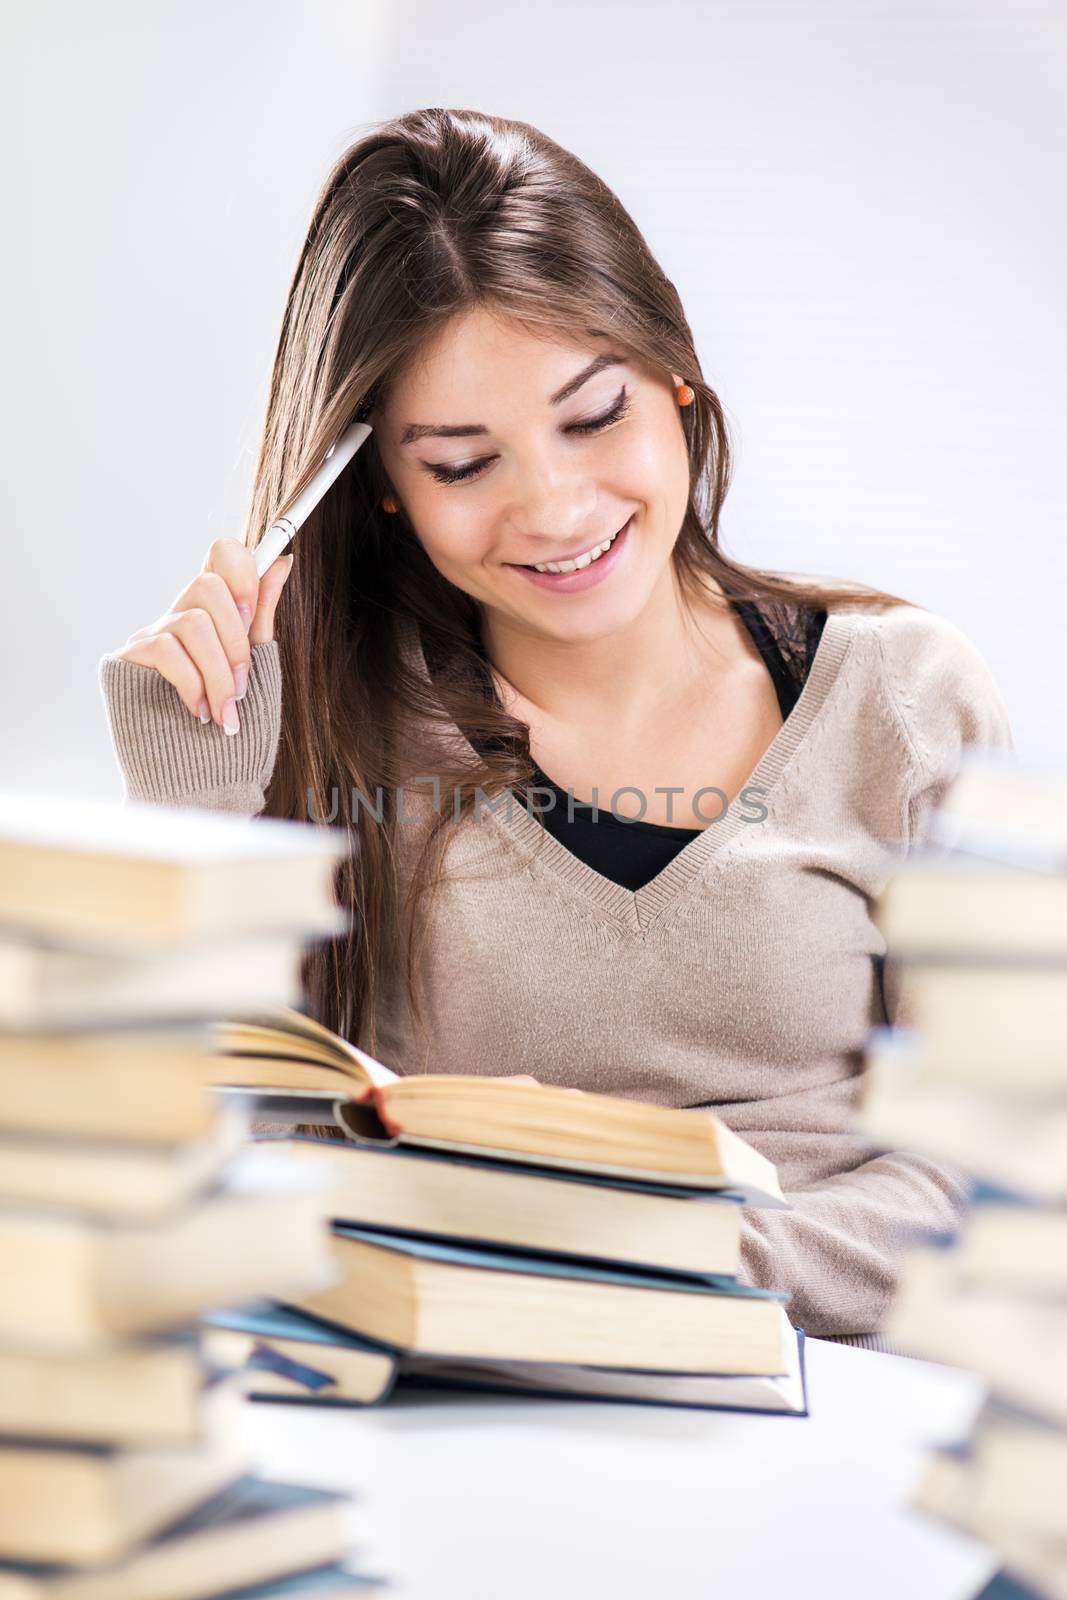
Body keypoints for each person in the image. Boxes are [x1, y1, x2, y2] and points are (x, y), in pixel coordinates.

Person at [98, 108, 1014, 1346]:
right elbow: (238, 1188)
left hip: (823, 1414)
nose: (554, 507)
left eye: (592, 417)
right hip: (457, 1422)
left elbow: (990, 1179)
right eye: (463, 464)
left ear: (675, 379)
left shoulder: (900, 699)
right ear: (383, 488)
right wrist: (197, 817)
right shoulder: (331, 726)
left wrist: (648, 1242)